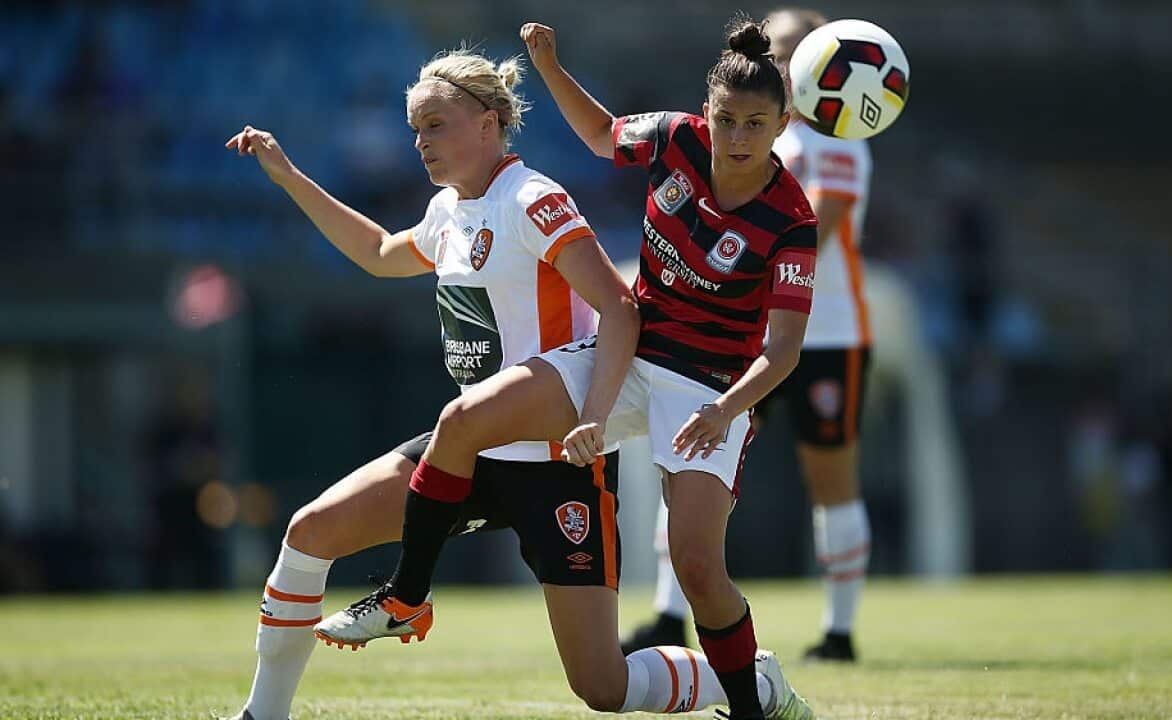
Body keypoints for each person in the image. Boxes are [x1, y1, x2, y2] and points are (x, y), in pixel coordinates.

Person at [220, 48, 777, 720]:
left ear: (488, 124)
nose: (422, 142)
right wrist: (288, 177)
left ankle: (750, 680)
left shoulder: (532, 199)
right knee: (308, 533)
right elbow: (376, 254)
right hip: (467, 456)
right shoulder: (447, 211)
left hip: (557, 465)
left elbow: (619, 306)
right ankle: (262, 713)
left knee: (603, 688)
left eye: (437, 125)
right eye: (416, 130)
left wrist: (594, 417)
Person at [623, 7, 875, 663]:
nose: (787, 61)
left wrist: (722, 261)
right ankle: (667, 615)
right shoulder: (745, 130)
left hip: (829, 333)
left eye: (800, 50)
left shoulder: (838, 136)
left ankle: (839, 631)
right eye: (779, 48)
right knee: (688, 458)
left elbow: (809, 230)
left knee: (830, 478)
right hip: (742, 336)